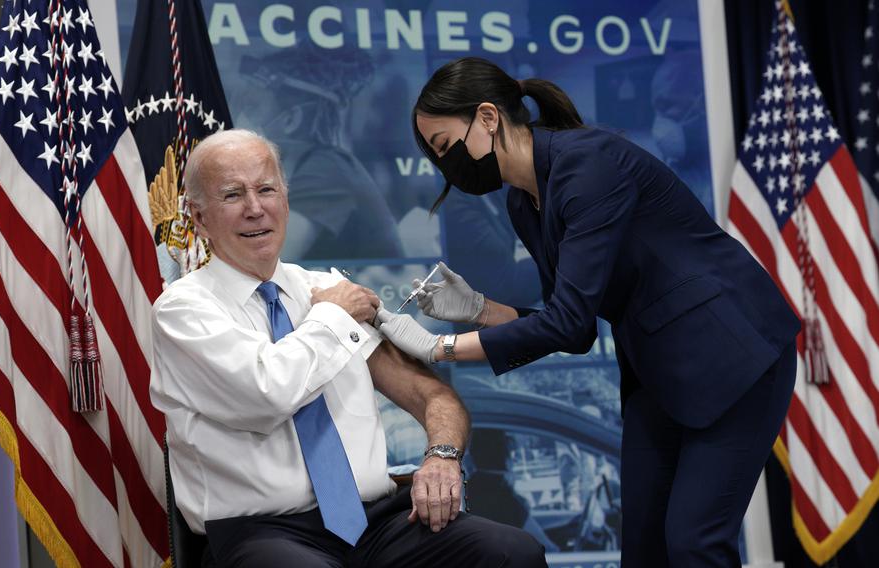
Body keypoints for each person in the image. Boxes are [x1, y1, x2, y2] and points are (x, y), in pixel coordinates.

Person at [374, 57, 800, 567]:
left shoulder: (588, 164)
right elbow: (571, 327)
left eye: (446, 147)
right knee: (644, 549)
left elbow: (570, 322)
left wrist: (438, 347)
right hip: (659, 371)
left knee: (694, 544)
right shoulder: (523, 201)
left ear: (487, 117)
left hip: (734, 353)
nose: (448, 168)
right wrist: (479, 309)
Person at [149, 129, 546, 568]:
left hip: (374, 521)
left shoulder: (326, 288)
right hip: (262, 532)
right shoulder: (183, 309)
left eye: (267, 189)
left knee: (512, 554)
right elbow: (268, 393)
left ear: (285, 199)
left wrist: (442, 458)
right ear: (200, 219)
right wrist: (333, 317)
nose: (255, 208)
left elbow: (430, 395)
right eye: (232, 195)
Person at [234, 45, 402, 261]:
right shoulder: (298, 170)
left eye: (253, 107)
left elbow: (268, 261)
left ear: (291, 120)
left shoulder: (327, 170)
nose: (242, 119)